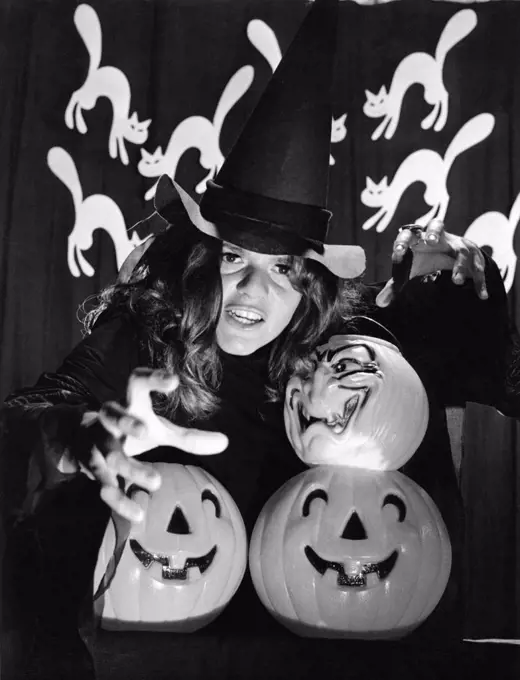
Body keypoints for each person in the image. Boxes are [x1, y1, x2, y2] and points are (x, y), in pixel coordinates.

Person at [1, 0, 519, 678]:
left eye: (281, 269)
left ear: (312, 283)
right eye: (233, 258)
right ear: (197, 259)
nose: (250, 294)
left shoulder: (358, 349)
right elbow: (24, 419)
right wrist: (71, 436)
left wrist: (481, 309)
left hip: (348, 652)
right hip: (164, 648)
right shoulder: (152, 335)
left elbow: (504, 383)